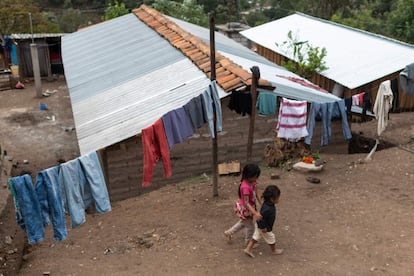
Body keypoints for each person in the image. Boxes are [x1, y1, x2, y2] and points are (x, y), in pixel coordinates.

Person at [224, 163, 262, 246]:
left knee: (244, 222)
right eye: (255, 176)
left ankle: (228, 232)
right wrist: (255, 213)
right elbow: (246, 203)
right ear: (249, 175)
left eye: (257, 176)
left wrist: (260, 202)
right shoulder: (245, 187)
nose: (256, 178)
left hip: (250, 207)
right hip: (245, 208)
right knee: (250, 227)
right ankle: (248, 242)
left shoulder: (253, 181)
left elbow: (256, 191)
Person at [244, 184, 283, 258]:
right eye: (278, 198)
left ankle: (247, 249)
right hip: (264, 227)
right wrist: (263, 227)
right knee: (271, 237)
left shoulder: (267, 204)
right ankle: (274, 250)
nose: (279, 199)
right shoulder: (268, 208)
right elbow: (260, 218)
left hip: (260, 225)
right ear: (272, 199)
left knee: (256, 237)